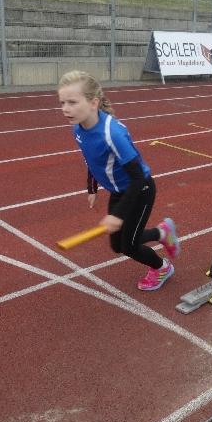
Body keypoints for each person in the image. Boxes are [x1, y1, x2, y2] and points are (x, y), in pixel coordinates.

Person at [58, 71, 180, 291]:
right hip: (119, 191)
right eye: (62, 103)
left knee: (129, 246)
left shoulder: (112, 134)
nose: (65, 108)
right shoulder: (78, 129)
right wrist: (92, 188)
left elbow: (138, 178)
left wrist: (117, 215)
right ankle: (162, 233)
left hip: (140, 190)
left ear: (93, 103)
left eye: (72, 102)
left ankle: (162, 268)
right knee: (117, 245)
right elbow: (92, 159)